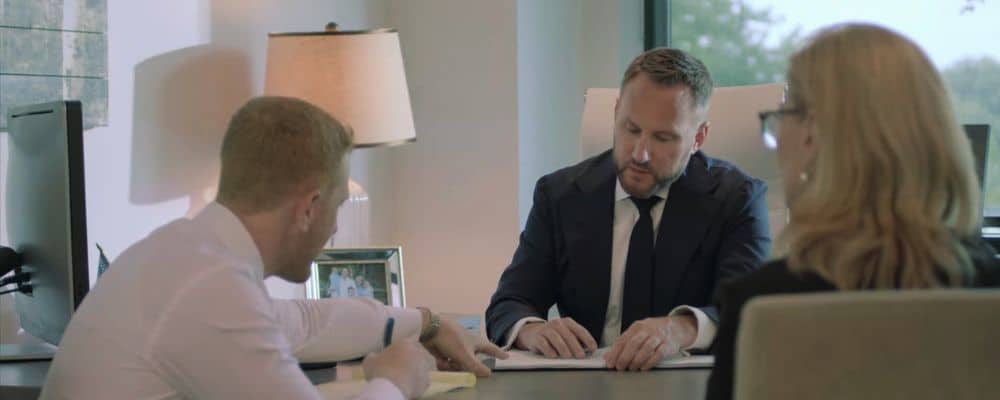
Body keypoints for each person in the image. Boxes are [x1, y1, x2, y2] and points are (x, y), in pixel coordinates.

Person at [41, 96, 506, 400]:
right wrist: (396, 381)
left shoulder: (186, 255)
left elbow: (304, 324)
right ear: (308, 208)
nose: (335, 230)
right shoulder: (209, 285)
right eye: (337, 208)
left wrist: (427, 321)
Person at [705, 23, 1000, 400]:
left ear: (812, 135)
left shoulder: (762, 305)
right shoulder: (989, 289)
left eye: (780, 119)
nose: (776, 140)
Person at [486, 47, 772, 371]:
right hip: (585, 388)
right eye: (631, 129)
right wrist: (533, 330)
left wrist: (681, 328)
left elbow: (751, 312)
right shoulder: (560, 196)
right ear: (616, 111)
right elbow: (509, 303)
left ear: (698, 137)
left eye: (663, 138)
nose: (640, 155)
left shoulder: (738, 200)